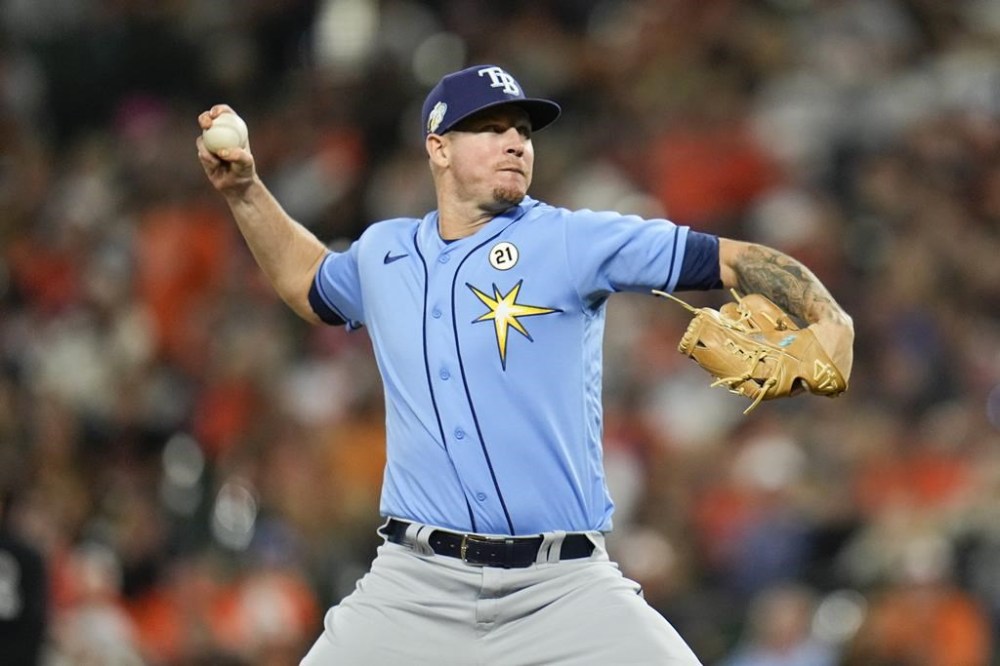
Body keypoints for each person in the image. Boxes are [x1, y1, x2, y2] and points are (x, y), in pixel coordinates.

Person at [197, 64, 854, 665]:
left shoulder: (571, 239)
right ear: (439, 148)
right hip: (414, 587)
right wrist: (246, 191)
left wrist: (830, 319)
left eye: (523, 131)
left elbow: (732, 258)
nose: (515, 142)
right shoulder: (384, 253)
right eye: (491, 128)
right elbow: (308, 282)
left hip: (563, 589)